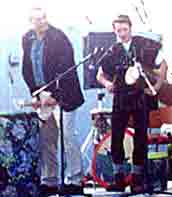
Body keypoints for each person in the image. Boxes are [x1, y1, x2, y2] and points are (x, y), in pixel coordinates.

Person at [97, 14, 168, 193]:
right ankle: (118, 178)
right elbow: (100, 74)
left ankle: (137, 179)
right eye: (118, 30)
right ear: (114, 31)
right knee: (117, 137)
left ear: (130, 28)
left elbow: (163, 64)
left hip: (140, 97)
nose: (122, 34)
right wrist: (107, 84)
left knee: (140, 138)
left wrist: (157, 86)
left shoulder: (144, 44)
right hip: (120, 98)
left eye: (124, 30)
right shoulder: (112, 51)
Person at [21, 6, 85, 194]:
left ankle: (75, 179)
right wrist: (36, 92)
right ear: (30, 21)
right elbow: (27, 68)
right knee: (47, 139)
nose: (40, 23)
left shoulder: (59, 37)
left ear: (46, 19)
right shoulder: (27, 38)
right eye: (35, 20)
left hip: (63, 95)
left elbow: (66, 67)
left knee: (68, 137)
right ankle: (49, 180)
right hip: (41, 95)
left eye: (42, 19)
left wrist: (53, 95)